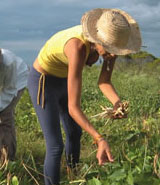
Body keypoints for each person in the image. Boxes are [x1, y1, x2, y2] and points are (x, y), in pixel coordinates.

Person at [27, 8, 141, 185]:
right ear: (97, 39)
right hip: (44, 82)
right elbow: (74, 108)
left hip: (64, 79)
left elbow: (104, 82)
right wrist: (99, 139)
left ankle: (74, 176)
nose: (112, 55)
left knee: (74, 132)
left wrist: (117, 103)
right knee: (55, 146)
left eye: (116, 50)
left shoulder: (111, 48)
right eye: (110, 49)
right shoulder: (77, 47)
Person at [0, 48, 29, 161]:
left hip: (17, 82)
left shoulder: (9, 63)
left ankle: (8, 159)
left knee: (4, 118)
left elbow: (9, 90)